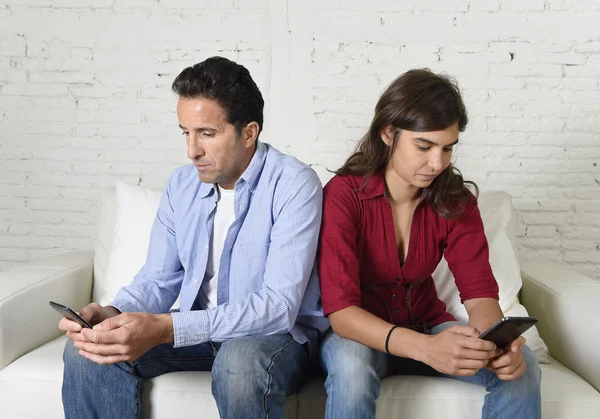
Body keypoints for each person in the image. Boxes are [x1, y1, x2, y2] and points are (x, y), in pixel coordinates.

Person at [59, 56, 328, 419]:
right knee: (88, 350)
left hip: (271, 339)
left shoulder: (294, 184)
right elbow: (158, 279)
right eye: (185, 132)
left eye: (207, 133)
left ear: (249, 133)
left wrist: (167, 327)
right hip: (197, 332)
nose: (192, 151)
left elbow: (278, 308)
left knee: (239, 363)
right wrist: (112, 313)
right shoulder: (182, 185)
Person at [318, 69, 541, 419]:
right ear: (388, 133)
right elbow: (342, 314)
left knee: (521, 367)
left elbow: (480, 295)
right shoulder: (344, 196)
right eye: (424, 146)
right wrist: (425, 349)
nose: (437, 163)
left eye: (447, 148)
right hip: (360, 336)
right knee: (351, 370)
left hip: (428, 324)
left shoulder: (456, 202)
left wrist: (500, 344)